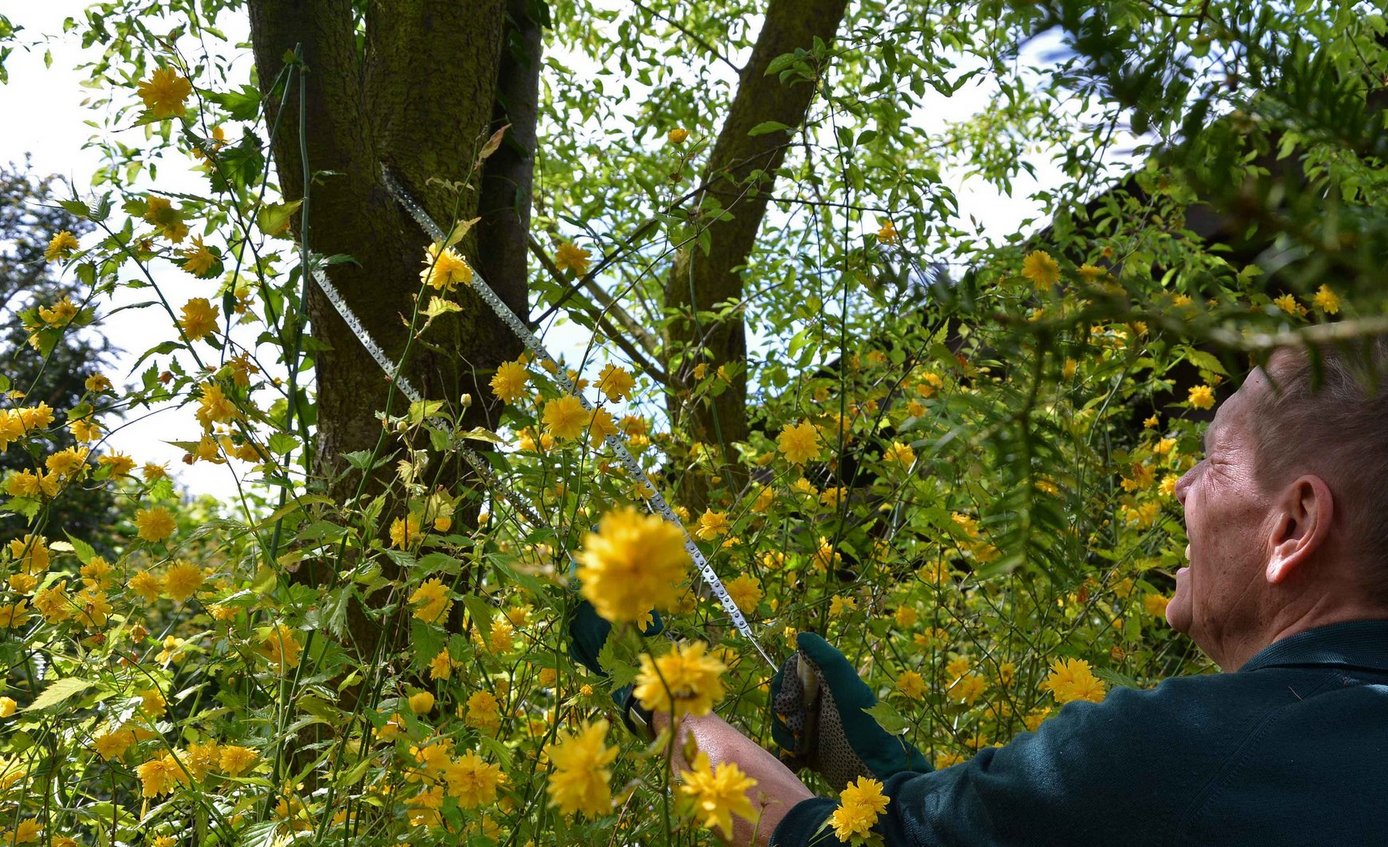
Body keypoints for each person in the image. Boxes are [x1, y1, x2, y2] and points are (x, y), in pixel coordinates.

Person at [658, 338, 1388, 845]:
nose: (1179, 485)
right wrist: (904, 784)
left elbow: (809, 837)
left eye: (1211, 460)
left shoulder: (1174, 751)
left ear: (1293, 524)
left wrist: (655, 692)